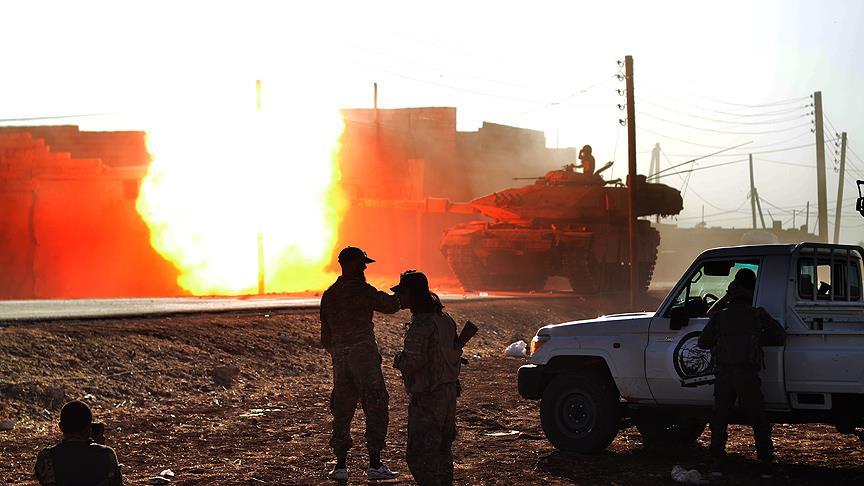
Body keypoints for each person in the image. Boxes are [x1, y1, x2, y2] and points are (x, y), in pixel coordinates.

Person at [320, 246, 402, 481]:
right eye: (362, 263)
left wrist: (339, 352)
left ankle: (340, 466)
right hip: (363, 357)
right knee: (376, 404)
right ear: (353, 264)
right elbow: (391, 306)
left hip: (340, 359)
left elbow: (325, 336)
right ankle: (375, 464)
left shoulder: (330, 294)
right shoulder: (363, 291)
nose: (365, 267)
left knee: (342, 410)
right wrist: (401, 290)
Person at [697, 268, 786, 479]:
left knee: (720, 419)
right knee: (758, 419)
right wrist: (756, 339)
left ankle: (716, 464)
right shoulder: (758, 314)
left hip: (725, 374)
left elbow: (703, 341)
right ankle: (765, 463)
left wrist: (726, 298)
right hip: (747, 374)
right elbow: (780, 336)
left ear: (734, 287)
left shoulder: (720, 316)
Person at [392, 270, 462, 486]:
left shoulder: (422, 323)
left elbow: (413, 360)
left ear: (412, 294)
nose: (399, 297)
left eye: (402, 292)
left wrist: (398, 361)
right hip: (448, 393)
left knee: (419, 455)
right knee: (442, 451)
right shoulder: (444, 319)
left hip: (429, 397)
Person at [34, 400, 123, 486]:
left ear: (61, 427)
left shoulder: (45, 456)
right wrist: (101, 448)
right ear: (89, 428)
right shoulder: (107, 454)